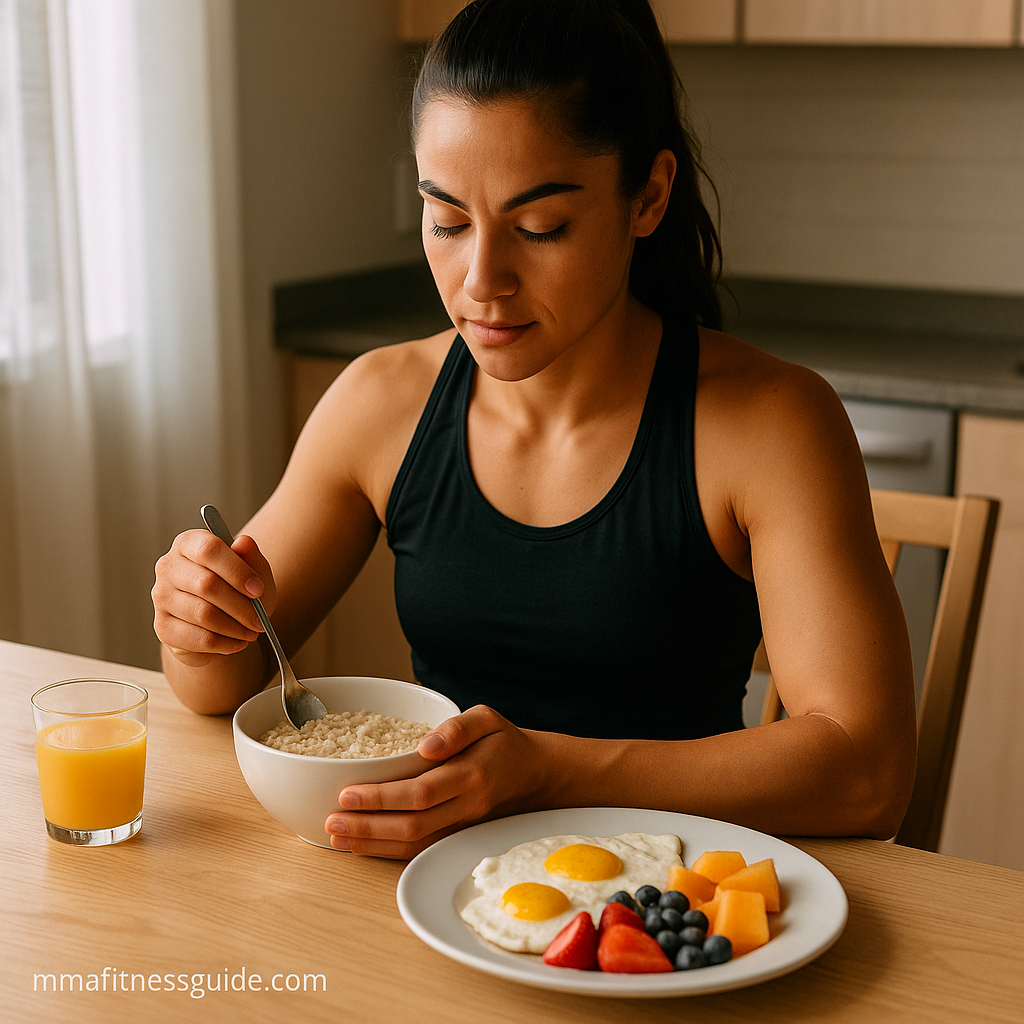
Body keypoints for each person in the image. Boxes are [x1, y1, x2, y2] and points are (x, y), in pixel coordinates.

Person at [152, 0, 916, 859]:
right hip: (433, 900)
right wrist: (200, 626)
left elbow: (868, 772)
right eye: (445, 220)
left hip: (683, 908)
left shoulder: (768, 423)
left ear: (648, 197)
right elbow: (232, 687)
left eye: (539, 227)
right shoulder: (381, 402)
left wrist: (547, 771)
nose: (481, 279)